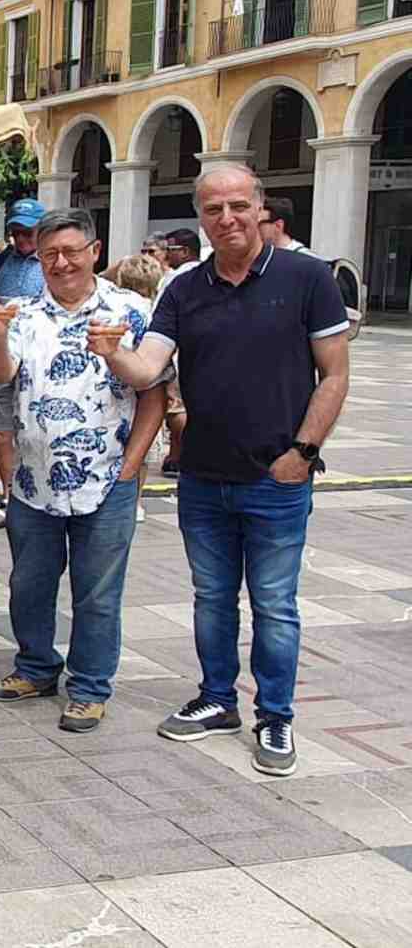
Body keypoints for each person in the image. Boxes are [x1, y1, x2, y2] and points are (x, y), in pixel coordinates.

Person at [101, 165, 350, 776]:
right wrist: (113, 353)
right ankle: (217, 700)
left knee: (274, 603)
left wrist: (303, 454)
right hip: (204, 480)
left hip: (277, 478)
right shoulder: (185, 288)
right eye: (214, 210)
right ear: (202, 216)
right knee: (212, 598)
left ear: (261, 208)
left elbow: (335, 376)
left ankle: (276, 717)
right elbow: (150, 367)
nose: (228, 219)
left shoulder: (308, 277)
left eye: (240, 206)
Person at [0, 208, 166, 734]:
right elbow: (0, 376)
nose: (60, 264)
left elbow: (155, 393)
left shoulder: (130, 311)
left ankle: (88, 686)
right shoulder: (21, 313)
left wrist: (132, 467)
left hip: (107, 480)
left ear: (95, 251)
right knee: (29, 583)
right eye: (49, 255)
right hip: (33, 481)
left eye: (70, 252)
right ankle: (36, 667)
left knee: (97, 592)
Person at [0, 198, 47, 530]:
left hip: (37, 358)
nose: (22, 239)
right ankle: (10, 499)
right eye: (16, 232)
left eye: (28, 232)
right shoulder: (0, 262)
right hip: (2, 353)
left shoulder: (52, 263)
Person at [103, 251, 168, 522]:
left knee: (137, 452)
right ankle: (136, 499)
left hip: (127, 402)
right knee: (142, 453)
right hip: (138, 404)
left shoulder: (128, 313)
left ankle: (132, 495)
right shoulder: (152, 311)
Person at [157, 227, 202, 478]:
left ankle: (178, 454)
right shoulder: (203, 274)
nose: (165, 255)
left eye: (170, 250)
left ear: (185, 252)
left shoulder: (179, 279)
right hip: (191, 354)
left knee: (176, 408)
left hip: (173, 352)